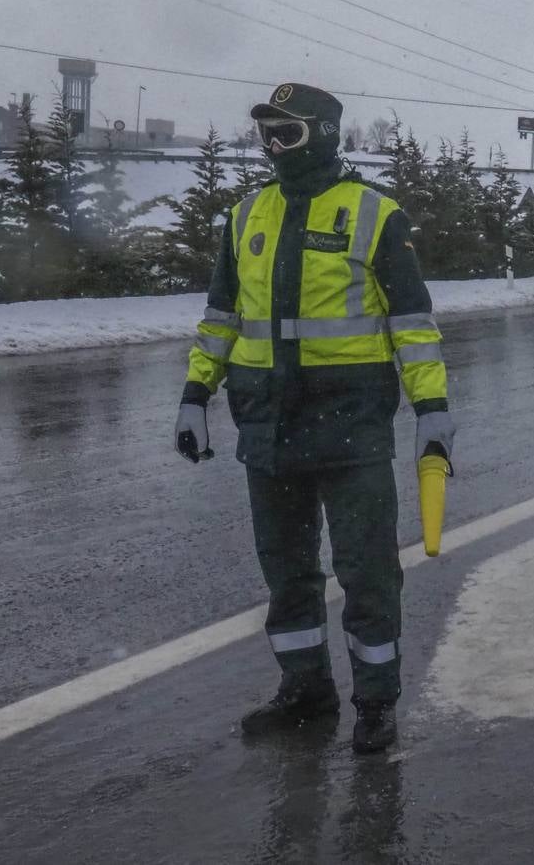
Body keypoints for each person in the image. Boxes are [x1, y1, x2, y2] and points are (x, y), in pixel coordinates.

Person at [174, 83, 455, 752]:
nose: (273, 143)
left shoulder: (375, 214)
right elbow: (221, 315)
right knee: (287, 572)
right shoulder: (245, 215)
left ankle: (376, 703)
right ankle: (305, 690)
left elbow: (413, 324)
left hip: (351, 428)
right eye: (266, 130)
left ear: (323, 133)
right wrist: (194, 393)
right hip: (266, 427)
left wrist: (432, 410)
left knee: (366, 571)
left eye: (288, 130)